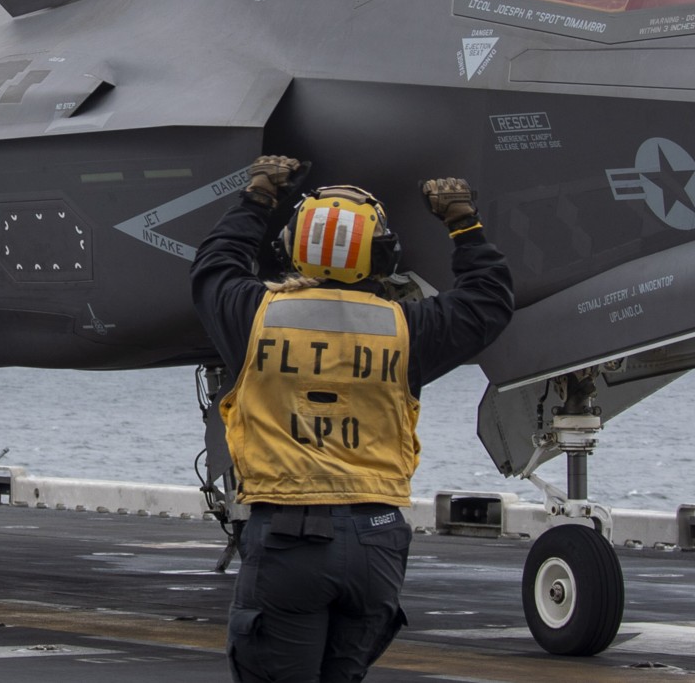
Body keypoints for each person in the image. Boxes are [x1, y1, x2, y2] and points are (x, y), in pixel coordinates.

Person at [190, 156, 516, 682]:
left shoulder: (255, 318)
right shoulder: (407, 330)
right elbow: (489, 302)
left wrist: (257, 197)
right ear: (382, 255)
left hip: (288, 539)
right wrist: (464, 224)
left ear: (292, 246)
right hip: (377, 541)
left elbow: (213, 267)